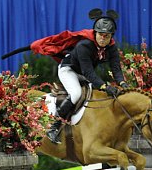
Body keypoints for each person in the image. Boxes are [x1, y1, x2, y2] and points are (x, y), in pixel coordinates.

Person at [47, 8, 129, 144]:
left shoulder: (112, 48)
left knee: (96, 96)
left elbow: (116, 69)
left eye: (107, 36)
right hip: (68, 70)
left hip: (82, 74)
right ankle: (53, 126)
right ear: (95, 33)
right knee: (76, 93)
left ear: (111, 36)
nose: (103, 39)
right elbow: (88, 73)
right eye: (100, 34)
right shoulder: (84, 46)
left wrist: (122, 83)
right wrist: (104, 86)